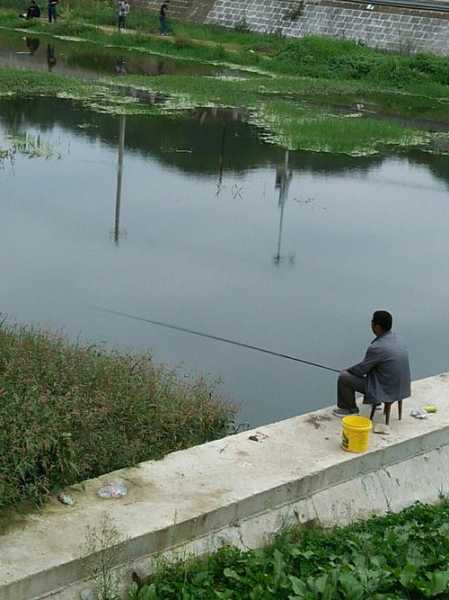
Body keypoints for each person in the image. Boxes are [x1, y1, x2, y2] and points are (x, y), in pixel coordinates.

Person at [333, 310, 411, 417]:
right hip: (402, 388)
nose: (371, 325)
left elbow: (362, 369)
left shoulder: (377, 347)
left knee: (344, 377)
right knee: (378, 368)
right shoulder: (399, 339)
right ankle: (377, 403)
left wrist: (347, 370)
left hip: (386, 389)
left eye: (372, 322)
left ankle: (349, 409)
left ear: (377, 327)